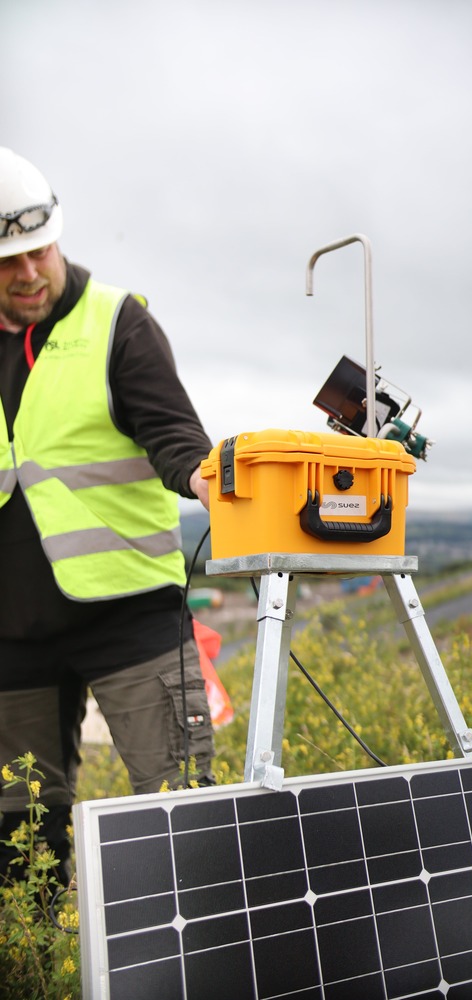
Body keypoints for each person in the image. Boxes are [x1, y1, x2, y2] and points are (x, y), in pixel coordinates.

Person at [0, 148, 216, 885]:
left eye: (39, 250)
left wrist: (203, 478)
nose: (29, 273)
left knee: (177, 809)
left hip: (132, 620)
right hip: (11, 636)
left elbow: (174, 436)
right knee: (21, 837)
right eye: (7, 262)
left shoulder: (118, 323)